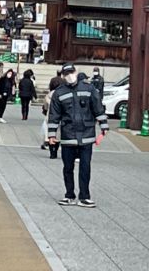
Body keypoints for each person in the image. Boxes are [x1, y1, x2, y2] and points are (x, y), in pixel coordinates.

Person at [48, 63, 109, 208]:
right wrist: (51, 135)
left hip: (87, 134)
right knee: (67, 167)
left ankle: (84, 196)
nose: (69, 76)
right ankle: (69, 195)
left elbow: (97, 107)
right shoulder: (59, 93)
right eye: (66, 73)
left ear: (76, 72)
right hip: (68, 135)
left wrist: (104, 126)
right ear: (63, 76)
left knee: (85, 166)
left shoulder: (89, 89)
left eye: (71, 72)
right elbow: (54, 115)